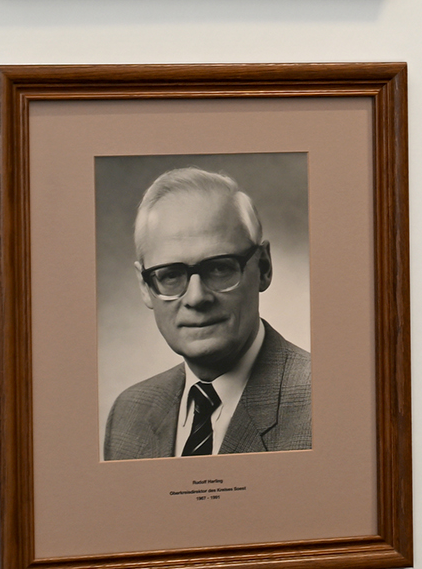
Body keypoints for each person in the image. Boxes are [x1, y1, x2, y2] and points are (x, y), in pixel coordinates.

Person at [103, 168, 311, 460]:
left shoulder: (325, 403)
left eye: (219, 268)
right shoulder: (127, 415)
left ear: (263, 268)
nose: (197, 297)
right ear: (144, 287)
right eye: (171, 275)